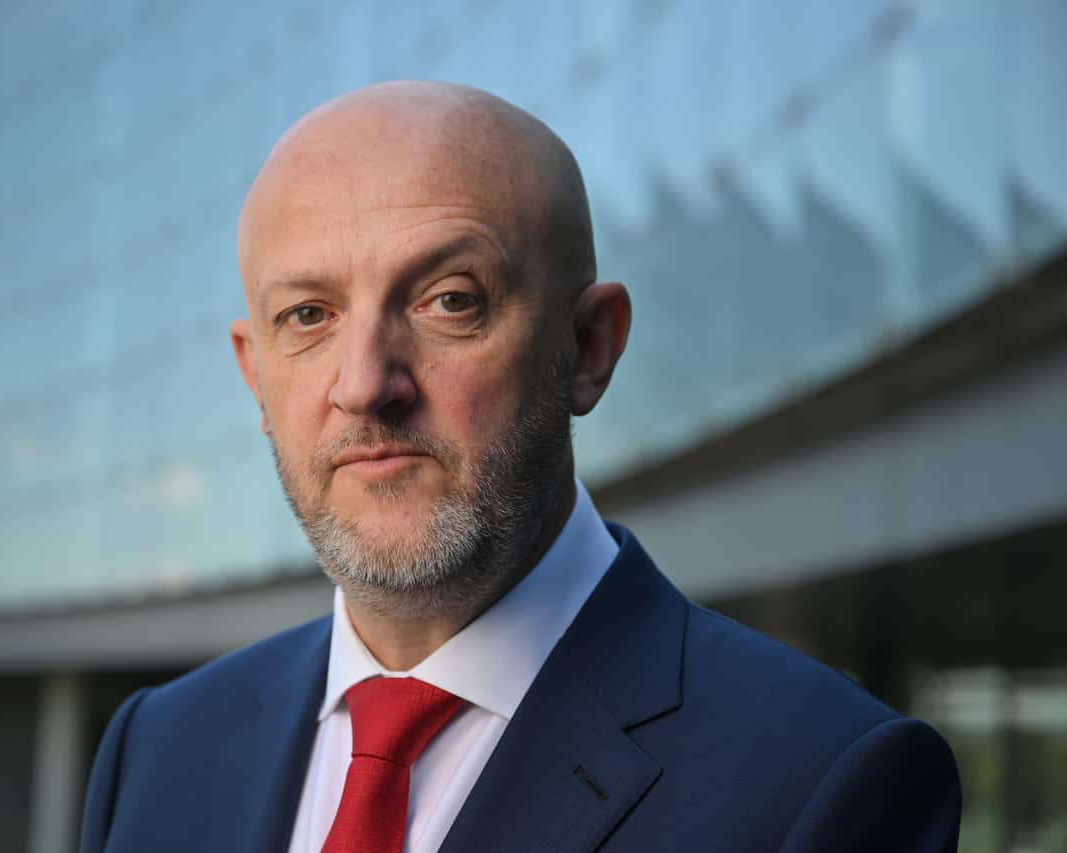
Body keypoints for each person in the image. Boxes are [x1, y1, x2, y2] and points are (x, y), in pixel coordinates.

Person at [80, 81, 961, 853]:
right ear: (256, 376)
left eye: (449, 300)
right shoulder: (157, 749)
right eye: (308, 316)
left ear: (588, 347)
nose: (365, 385)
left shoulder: (821, 779)